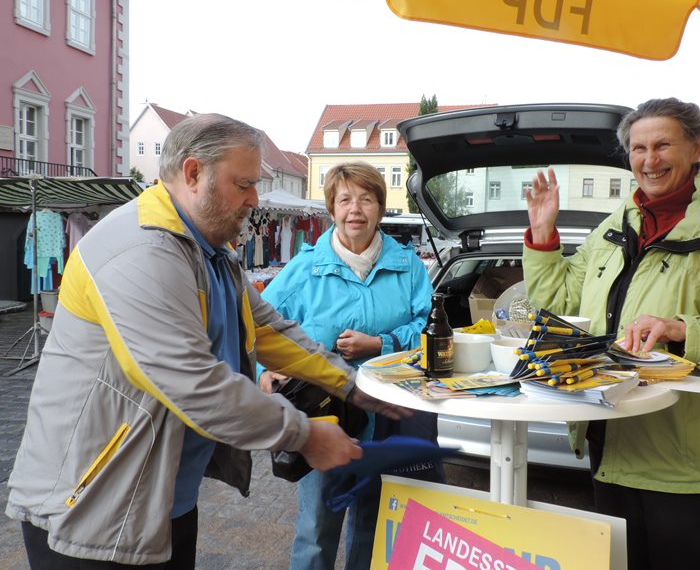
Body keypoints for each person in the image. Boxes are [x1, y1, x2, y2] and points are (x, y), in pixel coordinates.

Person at [5, 114, 408, 568]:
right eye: (243, 184)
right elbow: (192, 381)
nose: (254, 199)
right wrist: (305, 435)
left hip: (157, 497)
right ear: (193, 173)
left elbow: (271, 332)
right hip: (88, 502)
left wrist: (349, 385)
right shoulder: (140, 252)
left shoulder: (211, 251)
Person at [522, 98, 700, 570]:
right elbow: (561, 300)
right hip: (611, 440)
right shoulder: (616, 225)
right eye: (639, 148)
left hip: (685, 462)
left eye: (663, 145)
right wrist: (543, 235)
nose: (650, 160)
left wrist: (682, 331)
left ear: (697, 146)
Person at [258, 161, 434, 570]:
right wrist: (262, 373)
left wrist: (382, 343)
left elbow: (429, 330)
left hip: (391, 419)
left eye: (366, 199)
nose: (356, 209)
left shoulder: (408, 267)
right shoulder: (305, 269)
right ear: (332, 209)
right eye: (345, 200)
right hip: (325, 418)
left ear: (380, 207)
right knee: (317, 529)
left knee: (374, 525)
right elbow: (255, 326)